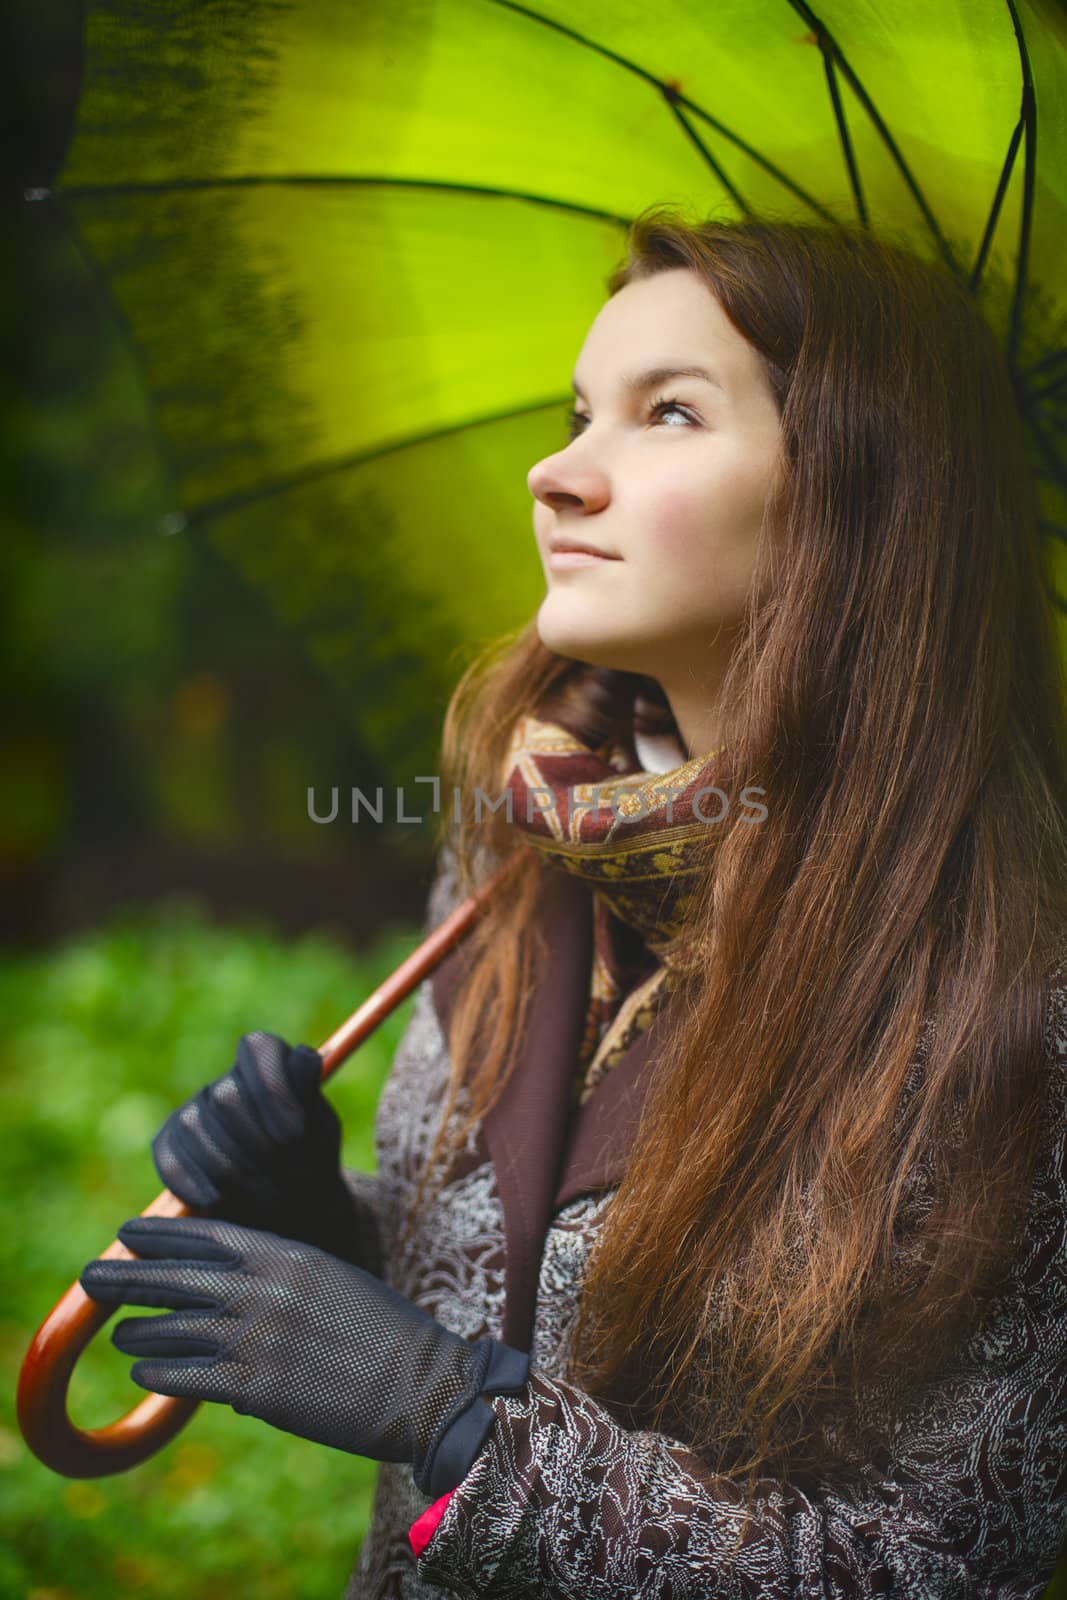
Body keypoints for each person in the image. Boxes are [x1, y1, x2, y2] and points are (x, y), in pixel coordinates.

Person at [79, 206, 1067, 1599]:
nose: (555, 472)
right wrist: (330, 1225)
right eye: (574, 412)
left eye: (667, 414)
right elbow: (526, 1293)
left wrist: (458, 1426)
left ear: (862, 489)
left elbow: (935, 1569)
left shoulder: (1012, 999)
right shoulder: (520, 850)